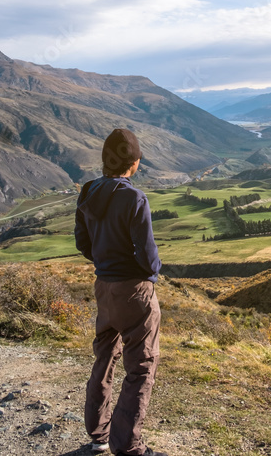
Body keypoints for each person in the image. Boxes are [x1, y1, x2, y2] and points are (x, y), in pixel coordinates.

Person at [74, 128, 166, 456]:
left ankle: (99, 434)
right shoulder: (134, 198)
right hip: (133, 291)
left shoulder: (87, 193)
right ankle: (128, 446)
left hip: (104, 288)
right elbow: (148, 253)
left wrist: (106, 264)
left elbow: (83, 244)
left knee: (104, 357)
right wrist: (149, 275)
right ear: (134, 163)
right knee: (140, 366)